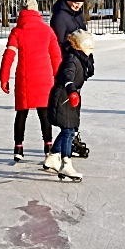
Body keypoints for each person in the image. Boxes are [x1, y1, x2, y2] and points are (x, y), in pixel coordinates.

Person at [0, 0, 62, 162]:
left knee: (21, 113)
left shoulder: (17, 31)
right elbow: (56, 56)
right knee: (44, 113)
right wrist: (60, 77)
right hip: (44, 78)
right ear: (36, 10)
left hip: (24, 77)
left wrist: (3, 77)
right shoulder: (47, 31)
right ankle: (48, 145)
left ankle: (18, 147)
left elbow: (9, 55)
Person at [44, 29, 95, 181]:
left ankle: (53, 156)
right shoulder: (72, 59)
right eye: (88, 47)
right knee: (68, 130)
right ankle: (66, 164)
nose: (90, 51)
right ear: (79, 46)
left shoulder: (82, 58)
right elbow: (67, 76)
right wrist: (71, 91)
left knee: (69, 128)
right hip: (63, 97)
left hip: (69, 96)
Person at [49, 0, 94, 157]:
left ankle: (72, 134)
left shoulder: (78, 14)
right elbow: (58, 43)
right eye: (74, 2)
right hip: (68, 63)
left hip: (79, 61)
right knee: (68, 103)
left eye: (80, 3)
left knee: (75, 103)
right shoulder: (60, 16)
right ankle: (68, 136)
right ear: (68, 0)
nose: (77, 5)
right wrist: (73, 52)